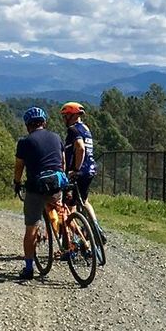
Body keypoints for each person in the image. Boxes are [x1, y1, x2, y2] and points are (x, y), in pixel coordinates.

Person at [12, 105, 65, 281]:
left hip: (36, 188)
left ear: (28, 125)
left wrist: (17, 183)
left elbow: (19, 166)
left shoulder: (25, 142)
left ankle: (28, 268)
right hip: (56, 185)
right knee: (58, 207)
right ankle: (71, 240)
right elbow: (62, 162)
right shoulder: (57, 137)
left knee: (31, 227)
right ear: (44, 122)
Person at [60, 101, 103, 246]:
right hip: (91, 169)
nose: (64, 119)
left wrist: (76, 170)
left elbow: (80, 148)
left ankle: (71, 243)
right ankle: (96, 229)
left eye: (65, 116)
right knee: (84, 201)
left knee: (67, 207)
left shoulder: (73, 130)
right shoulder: (85, 128)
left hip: (79, 171)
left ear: (72, 116)